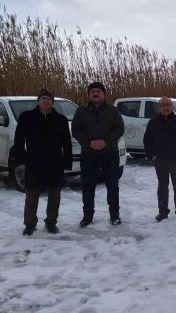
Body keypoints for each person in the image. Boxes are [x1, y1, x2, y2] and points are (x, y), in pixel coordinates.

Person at [14, 89, 72, 236]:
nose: (46, 101)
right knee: (31, 195)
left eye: (49, 99)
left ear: (52, 102)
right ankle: (29, 224)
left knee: (55, 195)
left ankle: (51, 222)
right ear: (38, 101)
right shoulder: (27, 117)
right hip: (34, 162)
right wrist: (20, 160)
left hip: (54, 162)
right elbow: (18, 141)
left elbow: (67, 143)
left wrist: (67, 162)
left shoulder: (61, 120)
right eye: (43, 98)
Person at [72, 81, 125, 227]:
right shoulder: (81, 111)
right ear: (89, 95)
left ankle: (114, 216)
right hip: (89, 154)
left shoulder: (113, 111)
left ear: (104, 94)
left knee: (112, 186)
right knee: (88, 186)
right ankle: (87, 217)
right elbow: (75, 130)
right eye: (93, 91)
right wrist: (88, 143)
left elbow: (119, 129)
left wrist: (105, 142)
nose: (95, 93)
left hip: (110, 153)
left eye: (98, 91)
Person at [143, 97, 176, 222]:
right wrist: (152, 155)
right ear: (159, 107)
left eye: (168, 104)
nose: (166, 107)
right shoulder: (153, 122)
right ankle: (163, 212)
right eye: (163, 105)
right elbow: (147, 140)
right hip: (160, 160)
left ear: (171, 106)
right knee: (162, 187)